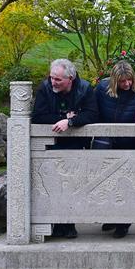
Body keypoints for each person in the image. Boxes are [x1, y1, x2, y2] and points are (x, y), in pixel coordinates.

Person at [31, 58, 99, 239]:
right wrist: (62, 117)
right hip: (51, 145)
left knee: (72, 185)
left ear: (70, 78)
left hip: (76, 145)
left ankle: (68, 224)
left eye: (58, 79)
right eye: (52, 77)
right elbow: (37, 116)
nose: (53, 82)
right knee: (54, 185)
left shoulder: (84, 89)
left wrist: (70, 122)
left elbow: (92, 114)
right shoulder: (45, 88)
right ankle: (57, 224)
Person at [94, 61, 135, 238]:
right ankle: (111, 216)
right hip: (106, 142)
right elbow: (94, 112)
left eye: (129, 80)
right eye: (122, 81)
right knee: (107, 183)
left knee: (126, 185)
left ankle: (123, 223)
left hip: (130, 143)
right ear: (114, 81)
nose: (126, 84)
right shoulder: (102, 89)